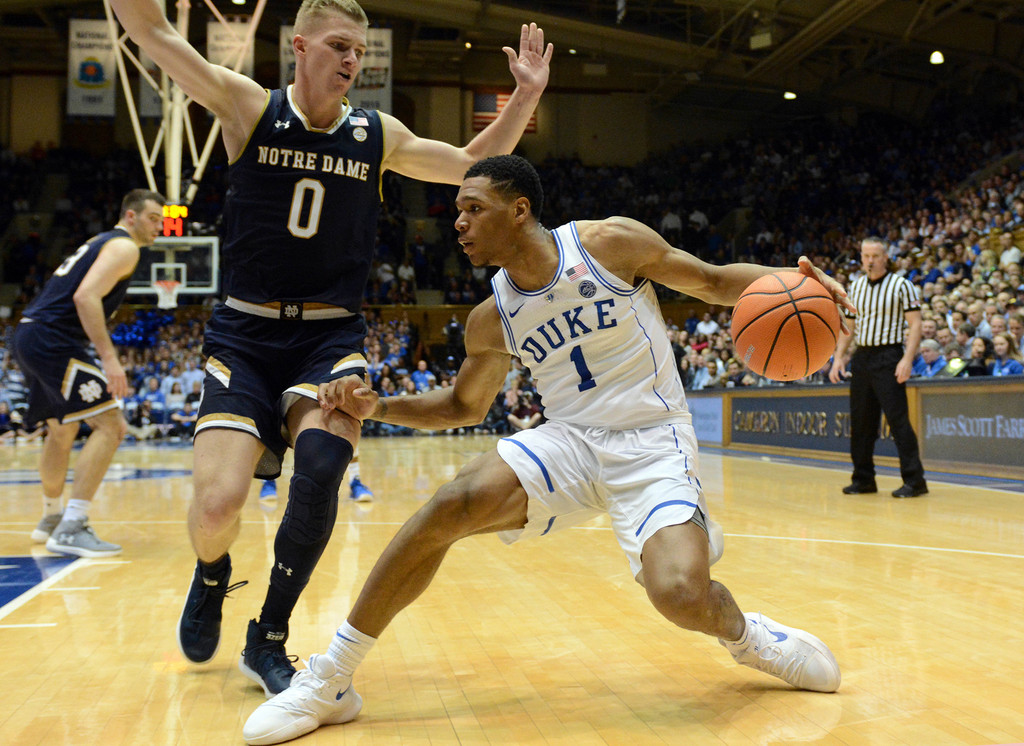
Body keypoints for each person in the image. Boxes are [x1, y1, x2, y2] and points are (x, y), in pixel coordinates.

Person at [242, 155, 846, 745]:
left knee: (681, 595)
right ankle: (330, 682)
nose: (458, 222)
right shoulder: (491, 316)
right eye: (458, 211)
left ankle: (751, 640)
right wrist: (381, 408)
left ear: (519, 211)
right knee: (453, 504)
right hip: (570, 440)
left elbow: (712, 282)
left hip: (653, 440)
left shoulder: (609, 245)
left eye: (473, 209)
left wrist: (797, 283)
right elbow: (461, 408)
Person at [108, 0, 552, 697]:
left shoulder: (378, 134)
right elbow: (154, 33)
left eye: (360, 52)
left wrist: (524, 93)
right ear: (301, 46)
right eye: (340, 46)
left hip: (329, 338)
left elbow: (469, 161)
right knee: (218, 509)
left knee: (321, 466)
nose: (352, 61)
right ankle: (214, 572)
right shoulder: (248, 106)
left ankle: (269, 637)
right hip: (245, 336)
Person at [10, 188, 165, 556]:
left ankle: (51, 518)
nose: (159, 226)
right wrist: (109, 359)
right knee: (112, 425)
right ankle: (72, 526)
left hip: (29, 332)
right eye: (153, 218)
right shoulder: (124, 246)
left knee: (62, 431)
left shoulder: (100, 241)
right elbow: (85, 297)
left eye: (162, 219)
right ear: (130, 216)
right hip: (53, 339)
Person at [829, 237, 928, 499]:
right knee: (861, 422)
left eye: (875, 255)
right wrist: (839, 358)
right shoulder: (856, 286)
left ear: (885, 257)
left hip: (889, 355)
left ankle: (915, 480)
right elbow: (848, 326)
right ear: (861, 258)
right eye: (866, 256)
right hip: (862, 357)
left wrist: (907, 359)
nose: (870, 260)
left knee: (898, 422)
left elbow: (915, 325)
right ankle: (863, 479)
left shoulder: (902, 285)